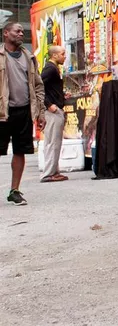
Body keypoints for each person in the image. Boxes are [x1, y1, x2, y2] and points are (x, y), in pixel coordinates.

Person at [0, 22, 46, 206]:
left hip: (24, 111)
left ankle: (14, 191)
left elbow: (38, 85)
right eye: (17, 31)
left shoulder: (29, 57)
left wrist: (40, 112)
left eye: (22, 31)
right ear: (6, 33)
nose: (21, 33)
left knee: (20, 151)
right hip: (3, 112)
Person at [40, 45, 68, 183]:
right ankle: (49, 173)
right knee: (53, 142)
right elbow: (37, 86)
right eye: (62, 54)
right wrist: (49, 104)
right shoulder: (50, 69)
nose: (65, 56)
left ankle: (54, 171)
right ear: (55, 55)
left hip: (55, 108)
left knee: (54, 141)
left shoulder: (53, 68)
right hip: (53, 111)